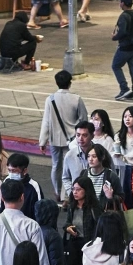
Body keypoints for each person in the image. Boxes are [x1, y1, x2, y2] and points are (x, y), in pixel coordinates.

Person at [38, 70, 89, 203]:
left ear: (56, 83)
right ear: (70, 83)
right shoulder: (76, 99)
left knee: (56, 166)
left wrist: (42, 141)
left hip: (55, 139)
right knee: (71, 167)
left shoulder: (50, 99)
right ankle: (67, 195)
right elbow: (83, 119)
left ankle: (56, 190)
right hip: (72, 140)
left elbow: (46, 121)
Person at [112, 108, 133, 203]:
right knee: (126, 195)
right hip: (125, 168)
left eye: (130, 116)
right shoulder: (119, 135)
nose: (127, 119)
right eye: (125, 116)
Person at [112, 0, 133, 101]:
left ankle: (124, 88)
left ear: (123, 4)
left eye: (120, 2)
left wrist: (115, 37)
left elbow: (122, 32)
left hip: (126, 47)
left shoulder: (124, 16)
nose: (119, 3)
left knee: (115, 66)